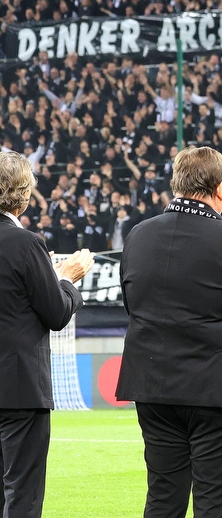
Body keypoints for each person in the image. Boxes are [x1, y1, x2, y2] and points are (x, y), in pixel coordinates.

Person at [116, 147, 222, 518]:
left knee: (163, 498)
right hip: (219, 391)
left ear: (176, 184)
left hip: (155, 386)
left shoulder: (137, 236)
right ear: (220, 188)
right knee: (215, 505)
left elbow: (133, 304)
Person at [0, 152, 93, 518]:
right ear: (24, 194)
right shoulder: (27, 243)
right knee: (22, 493)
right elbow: (56, 313)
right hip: (20, 387)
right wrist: (67, 277)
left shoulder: (26, 247)